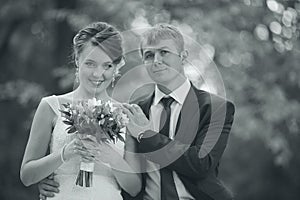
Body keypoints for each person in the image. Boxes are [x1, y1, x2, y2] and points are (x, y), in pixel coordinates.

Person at [20, 22, 141, 200]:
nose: (98, 74)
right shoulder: (51, 106)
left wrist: (111, 157)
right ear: (77, 61)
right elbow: (27, 176)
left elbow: (134, 188)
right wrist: (65, 153)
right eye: (90, 64)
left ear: (116, 67)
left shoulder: (125, 114)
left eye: (107, 65)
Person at [121, 23, 235, 200]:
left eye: (164, 52)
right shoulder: (137, 110)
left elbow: (200, 163)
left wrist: (147, 135)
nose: (156, 60)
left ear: (183, 57)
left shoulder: (215, 108)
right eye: (149, 55)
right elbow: (129, 171)